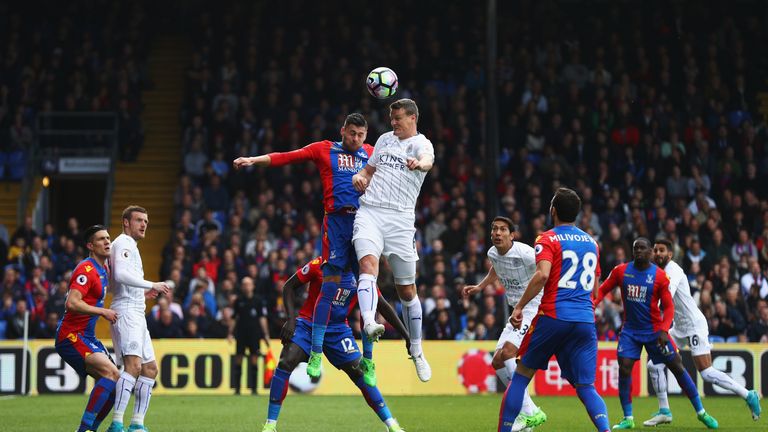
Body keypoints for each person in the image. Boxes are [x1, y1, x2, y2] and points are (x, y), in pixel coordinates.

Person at [233, 113, 377, 382]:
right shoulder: (324, 149)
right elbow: (287, 156)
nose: (356, 139)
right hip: (335, 224)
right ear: (343, 130)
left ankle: (368, 359)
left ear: (366, 135)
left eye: (361, 135)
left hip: (363, 225)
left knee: (367, 286)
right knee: (330, 284)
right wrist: (254, 160)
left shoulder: (372, 153)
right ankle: (316, 353)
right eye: (352, 133)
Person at [498, 187, 610, 432]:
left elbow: (542, 275)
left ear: (553, 211)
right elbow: (595, 289)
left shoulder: (546, 239)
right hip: (585, 320)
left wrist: (519, 306)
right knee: (586, 387)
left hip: (554, 316)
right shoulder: (592, 243)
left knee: (521, 375)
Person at [261, 257, 410, 432]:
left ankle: (391, 425)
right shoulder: (320, 264)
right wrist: (291, 320)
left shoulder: (362, 275)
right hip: (308, 324)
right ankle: (270, 425)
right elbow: (288, 286)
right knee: (286, 361)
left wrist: (407, 336)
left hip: (337, 331)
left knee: (361, 373)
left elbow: (382, 306)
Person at [351, 98, 435, 382]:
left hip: (400, 221)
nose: (393, 122)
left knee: (407, 291)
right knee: (367, 266)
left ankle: (417, 349)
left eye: (398, 118)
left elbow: (428, 161)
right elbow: (368, 171)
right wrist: (359, 178)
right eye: (392, 117)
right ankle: (370, 322)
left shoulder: (422, 145)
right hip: (371, 212)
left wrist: (418, 164)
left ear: (413, 118)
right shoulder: (385, 140)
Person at [595, 237, 718, 429]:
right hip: (630, 331)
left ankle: (701, 412)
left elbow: (669, 308)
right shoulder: (621, 271)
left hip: (654, 331)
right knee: (625, 367)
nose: (638, 251)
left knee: (677, 367)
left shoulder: (660, 276)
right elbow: (602, 290)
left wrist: (663, 330)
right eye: (636, 248)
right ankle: (628, 418)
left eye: (643, 248)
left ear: (650, 252)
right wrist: (590, 305)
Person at [644, 238, 761, 425]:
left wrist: (649, 312)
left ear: (670, 254)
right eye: (655, 250)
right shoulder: (657, 272)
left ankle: (749, 395)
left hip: (694, 325)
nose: (657, 253)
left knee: (706, 372)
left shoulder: (673, 271)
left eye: (662, 250)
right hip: (679, 327)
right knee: (653, 365)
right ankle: (664, 411)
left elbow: (666, 295)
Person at [462, 216, 547, 430]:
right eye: (494, 229)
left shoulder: (526, 252)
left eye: (502, 230)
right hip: (516, 310)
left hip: (534, 307)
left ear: (512, 235)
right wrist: (480, 287)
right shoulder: (492, 253)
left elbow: (546, 270)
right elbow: (496, 269)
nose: (497, 233)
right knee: (497, 362)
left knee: (508, 353)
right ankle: (529, 411)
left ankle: (530, 412)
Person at [107, 206, 170, 432]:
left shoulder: (130, 245)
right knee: (133, 366)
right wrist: (151, 284)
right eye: (139, 220)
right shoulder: (123, 242)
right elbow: (120, 275)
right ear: (126, 222)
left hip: (135, 309)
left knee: (150, 369)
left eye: (146, 221)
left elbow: (117, 283)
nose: (144, 225)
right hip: (127, 311)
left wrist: (141, 292)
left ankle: (137, 424)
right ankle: (116, 422)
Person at [55, 225, 120, 432]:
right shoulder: (86, 269)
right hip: (71, 335)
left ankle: (91, 429)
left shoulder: (104, 269)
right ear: (90, 246)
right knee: (110, 373)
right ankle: (83, 430)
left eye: (108, 237)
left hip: (87, 336)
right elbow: (72, 303)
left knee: (116, 384)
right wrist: (102, 312)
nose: (107, 241)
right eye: (101, 239)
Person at [231, 276, 271, 395]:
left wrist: (266, 334)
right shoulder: (238, 301)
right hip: (241, 334)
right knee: (239, 360)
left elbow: (262, 318)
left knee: (254, 360)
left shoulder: (258, 301)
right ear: (242, 287)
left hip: (254, 334)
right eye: (244, 284)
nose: (246, 286)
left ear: (253, 286)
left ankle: (254, 389)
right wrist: (230, 333)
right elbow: (234, 318)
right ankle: (237, 389)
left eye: (249, 284)